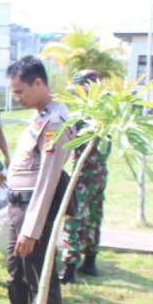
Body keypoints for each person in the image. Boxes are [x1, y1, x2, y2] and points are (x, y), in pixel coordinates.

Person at [0, 56, 75, 304]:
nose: (17, 97)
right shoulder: (40, 114)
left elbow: (47, 180)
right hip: (19, 205)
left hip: (33, 208)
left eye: (19, 91)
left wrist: (32, 228)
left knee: (39, 274)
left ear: (39, 83)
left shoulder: (55, 122)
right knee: (16, 268)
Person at [60, 69, 110, 283]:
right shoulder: (107, 111)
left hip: (84, 174)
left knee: (74, 218)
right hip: (100, 171)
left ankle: (69, 268)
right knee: (94, 215)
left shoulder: (84, 114)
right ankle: (90, 261)